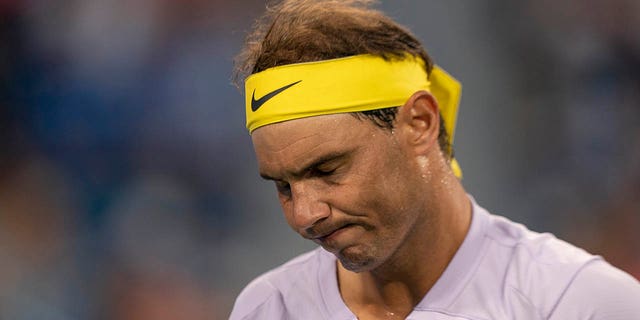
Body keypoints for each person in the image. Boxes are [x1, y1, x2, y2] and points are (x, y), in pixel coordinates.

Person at [229, 1, 640, 319]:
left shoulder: (582, 304)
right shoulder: (267, 307)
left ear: (420, 123)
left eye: (328, 169)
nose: (304, 215)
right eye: (283, 186)